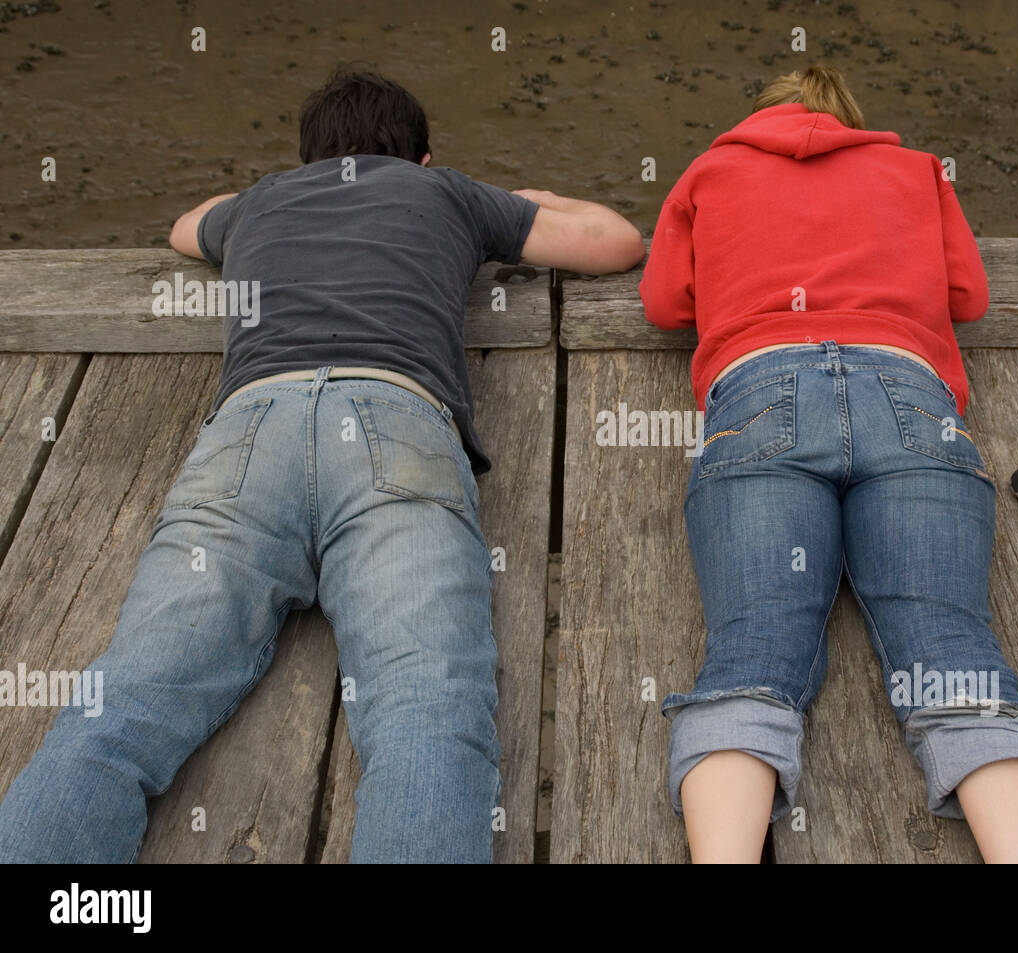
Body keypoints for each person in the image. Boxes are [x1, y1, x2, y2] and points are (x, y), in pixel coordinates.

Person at [0, 67, 644, 863]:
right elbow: (617, 242)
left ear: (307, 159)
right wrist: (520, 197)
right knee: (424, 707)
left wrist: (270, 197)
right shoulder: (446, 194)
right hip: (393, 428)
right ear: (424, 157)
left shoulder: (263, 199)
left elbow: (182, 225)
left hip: (249, 435)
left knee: (124, 699)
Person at [639, 65, 1018, 863]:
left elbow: (663, 303)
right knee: (954, 650)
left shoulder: (710, 168)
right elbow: (967, 296)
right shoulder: (915, 168)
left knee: (753, 651)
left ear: (757, 115)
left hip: (761, 397)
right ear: (852, 120)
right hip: (909, 399)